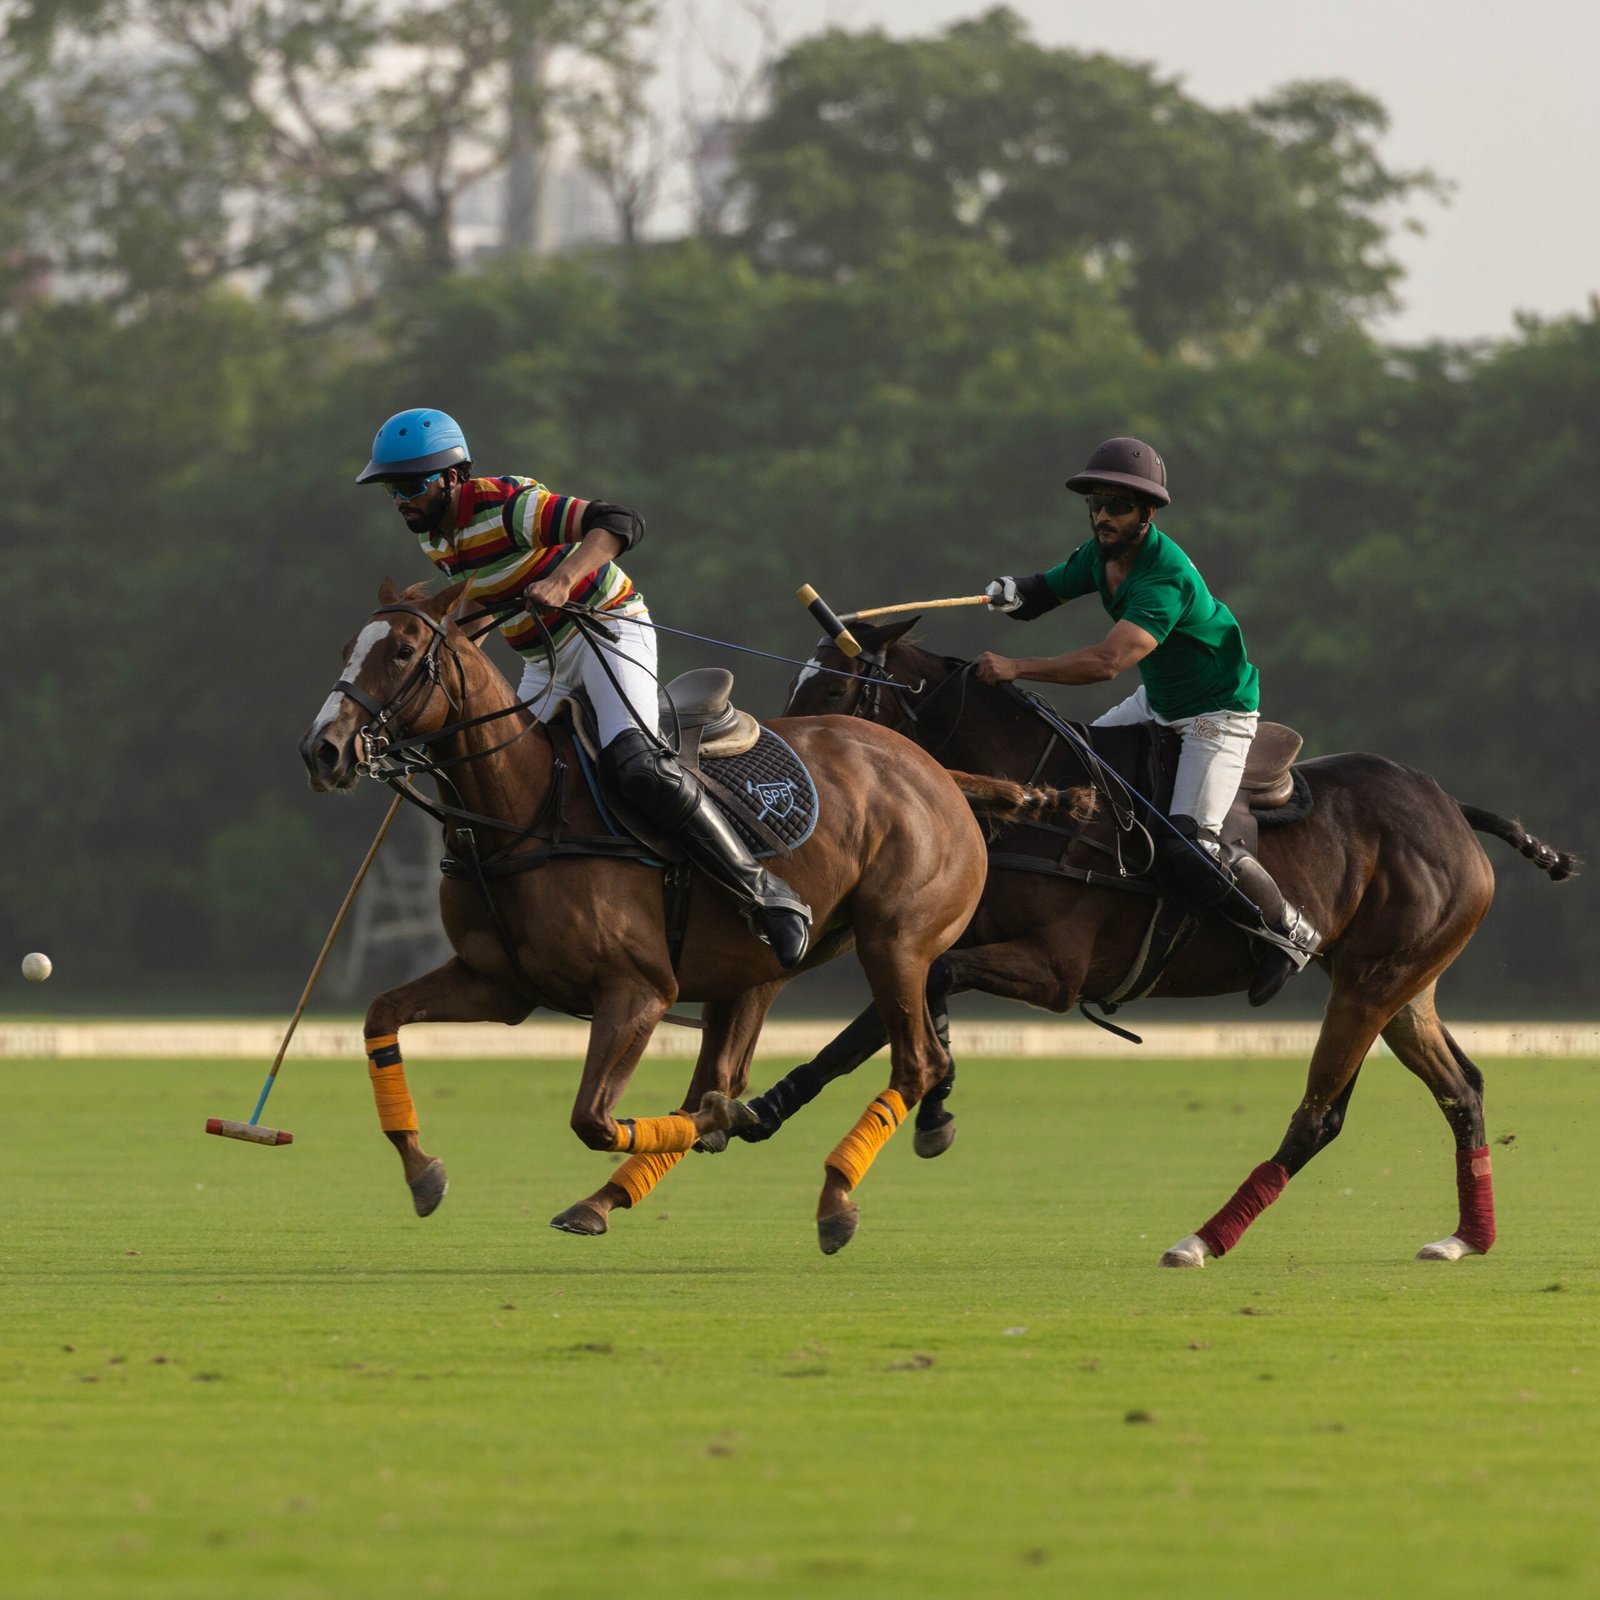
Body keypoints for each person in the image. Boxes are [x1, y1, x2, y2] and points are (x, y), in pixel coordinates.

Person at [356, 407, 810, 967]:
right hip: (542, 659)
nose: (401, 498)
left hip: (607, 629)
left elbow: (620, 520)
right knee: (495, 769)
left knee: (637, 761)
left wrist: (563, 578)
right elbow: (484, 600)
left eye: (411, 484)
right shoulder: (436, 537)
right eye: (391, 488)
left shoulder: (507, 505)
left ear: (450, 477)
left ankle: (766, 895)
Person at [974, 436, 1319, 1006]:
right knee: (1077, 766)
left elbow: (1107, 662)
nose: (1103, 516)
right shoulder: (1102, 554)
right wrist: (1013, 591)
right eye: (1096, 504)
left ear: (1147, 513)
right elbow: (1047, 588)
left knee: (1193, 845)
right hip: (1159, 702)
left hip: (1216, 713)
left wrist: (1016, 667)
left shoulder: (1166, 576)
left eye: (1118, 506)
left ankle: (1288, 930)